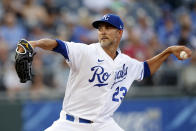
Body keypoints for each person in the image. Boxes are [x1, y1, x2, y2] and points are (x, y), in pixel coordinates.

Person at [17, 14, 192, 131]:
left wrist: (168, 51)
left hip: (103, 125)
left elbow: (145, 70)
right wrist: (35, 44)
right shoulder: (85, 52)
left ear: (120, 32)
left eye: (108, 28)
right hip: (70, 124)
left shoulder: (127, 62)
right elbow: (57, 44)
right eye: (100, 28)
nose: (103, 31)